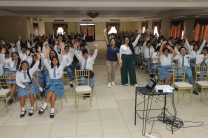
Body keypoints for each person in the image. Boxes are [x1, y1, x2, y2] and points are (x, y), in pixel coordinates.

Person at [38, 42, 66, 118]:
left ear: (57, 61)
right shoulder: (50, 68)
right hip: (52, 84)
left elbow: (64, 58)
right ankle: (52, 111)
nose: (54, 61)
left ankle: (44, 105)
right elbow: (45, 61)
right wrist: (47, 52)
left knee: (51, 90)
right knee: (52, 92)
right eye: (53, 60)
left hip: (59, 84)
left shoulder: (60, 67)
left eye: (56, 60)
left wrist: (62, 48)